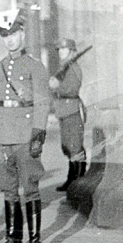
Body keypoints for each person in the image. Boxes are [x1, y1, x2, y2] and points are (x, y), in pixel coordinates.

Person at [0, 9, 51, 243]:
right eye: (5, 35)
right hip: (0, 134)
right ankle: (13, 240)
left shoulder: (35, 66)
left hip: (24, 133)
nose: (9, 39)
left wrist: (37, 134)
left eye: (13, 33)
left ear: (22, 32)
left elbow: (42, 103)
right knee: (9, 190)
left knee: (30, 188)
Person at [49, 38, 87, 192]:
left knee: (75, 146)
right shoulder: (64, 67)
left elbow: (72, 89)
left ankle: (78, 179)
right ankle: (72, 178)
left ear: (72, 50)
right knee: (67, 146)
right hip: (64, 110)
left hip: (71, 109)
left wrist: (57, 87)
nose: (61, 52)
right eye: (60, 50)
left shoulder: (74, 68)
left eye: (64, 49)